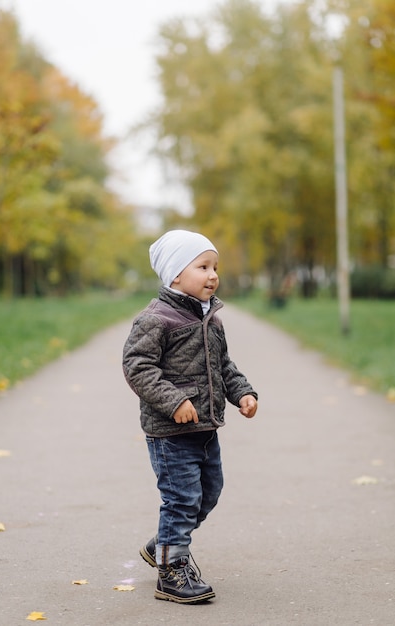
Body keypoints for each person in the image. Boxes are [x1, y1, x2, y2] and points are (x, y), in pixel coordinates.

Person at [122, 229, 258, 604]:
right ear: (175, 274)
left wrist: (242, 392)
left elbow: (223, 365)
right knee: (182, 499)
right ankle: (172, 571)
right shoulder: (156, 318)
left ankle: (164, 543)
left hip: (205, 427)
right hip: (170, 431)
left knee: (208, 493)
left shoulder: (211, 318)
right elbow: (138, 366)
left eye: (215, 266)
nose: (213, 275)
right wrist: (173, 400)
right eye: (203, 266)